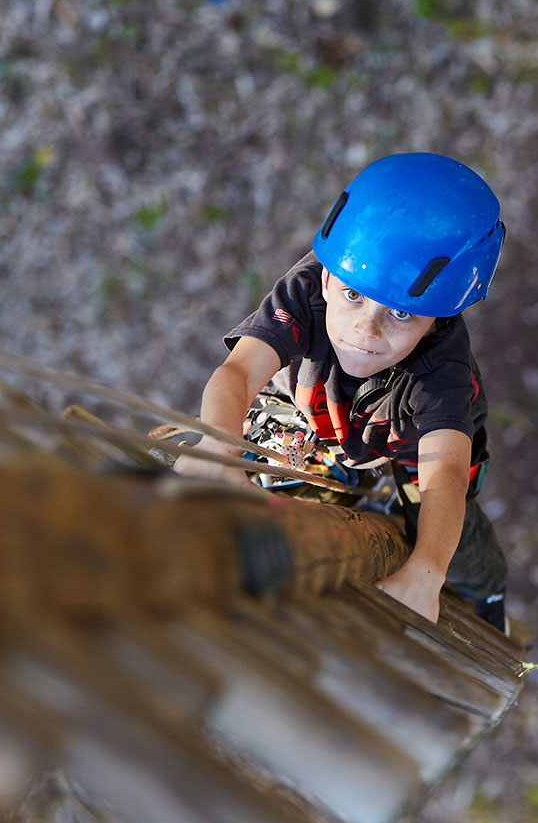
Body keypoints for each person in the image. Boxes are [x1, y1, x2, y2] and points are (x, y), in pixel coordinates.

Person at [175, 152, 510, 630]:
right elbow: (238, 374)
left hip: (408, 438)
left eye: (400, 313)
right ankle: (336, 465)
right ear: (328, 278)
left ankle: (488, 589)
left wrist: (426, 573)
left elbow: (445, 477)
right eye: (353, 296)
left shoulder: (442, 372)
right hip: (313, 406)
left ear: (438, 317)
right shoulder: (306, 289)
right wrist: (216, 447)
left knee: (451, 540)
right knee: (262, 448)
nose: (365, 330)